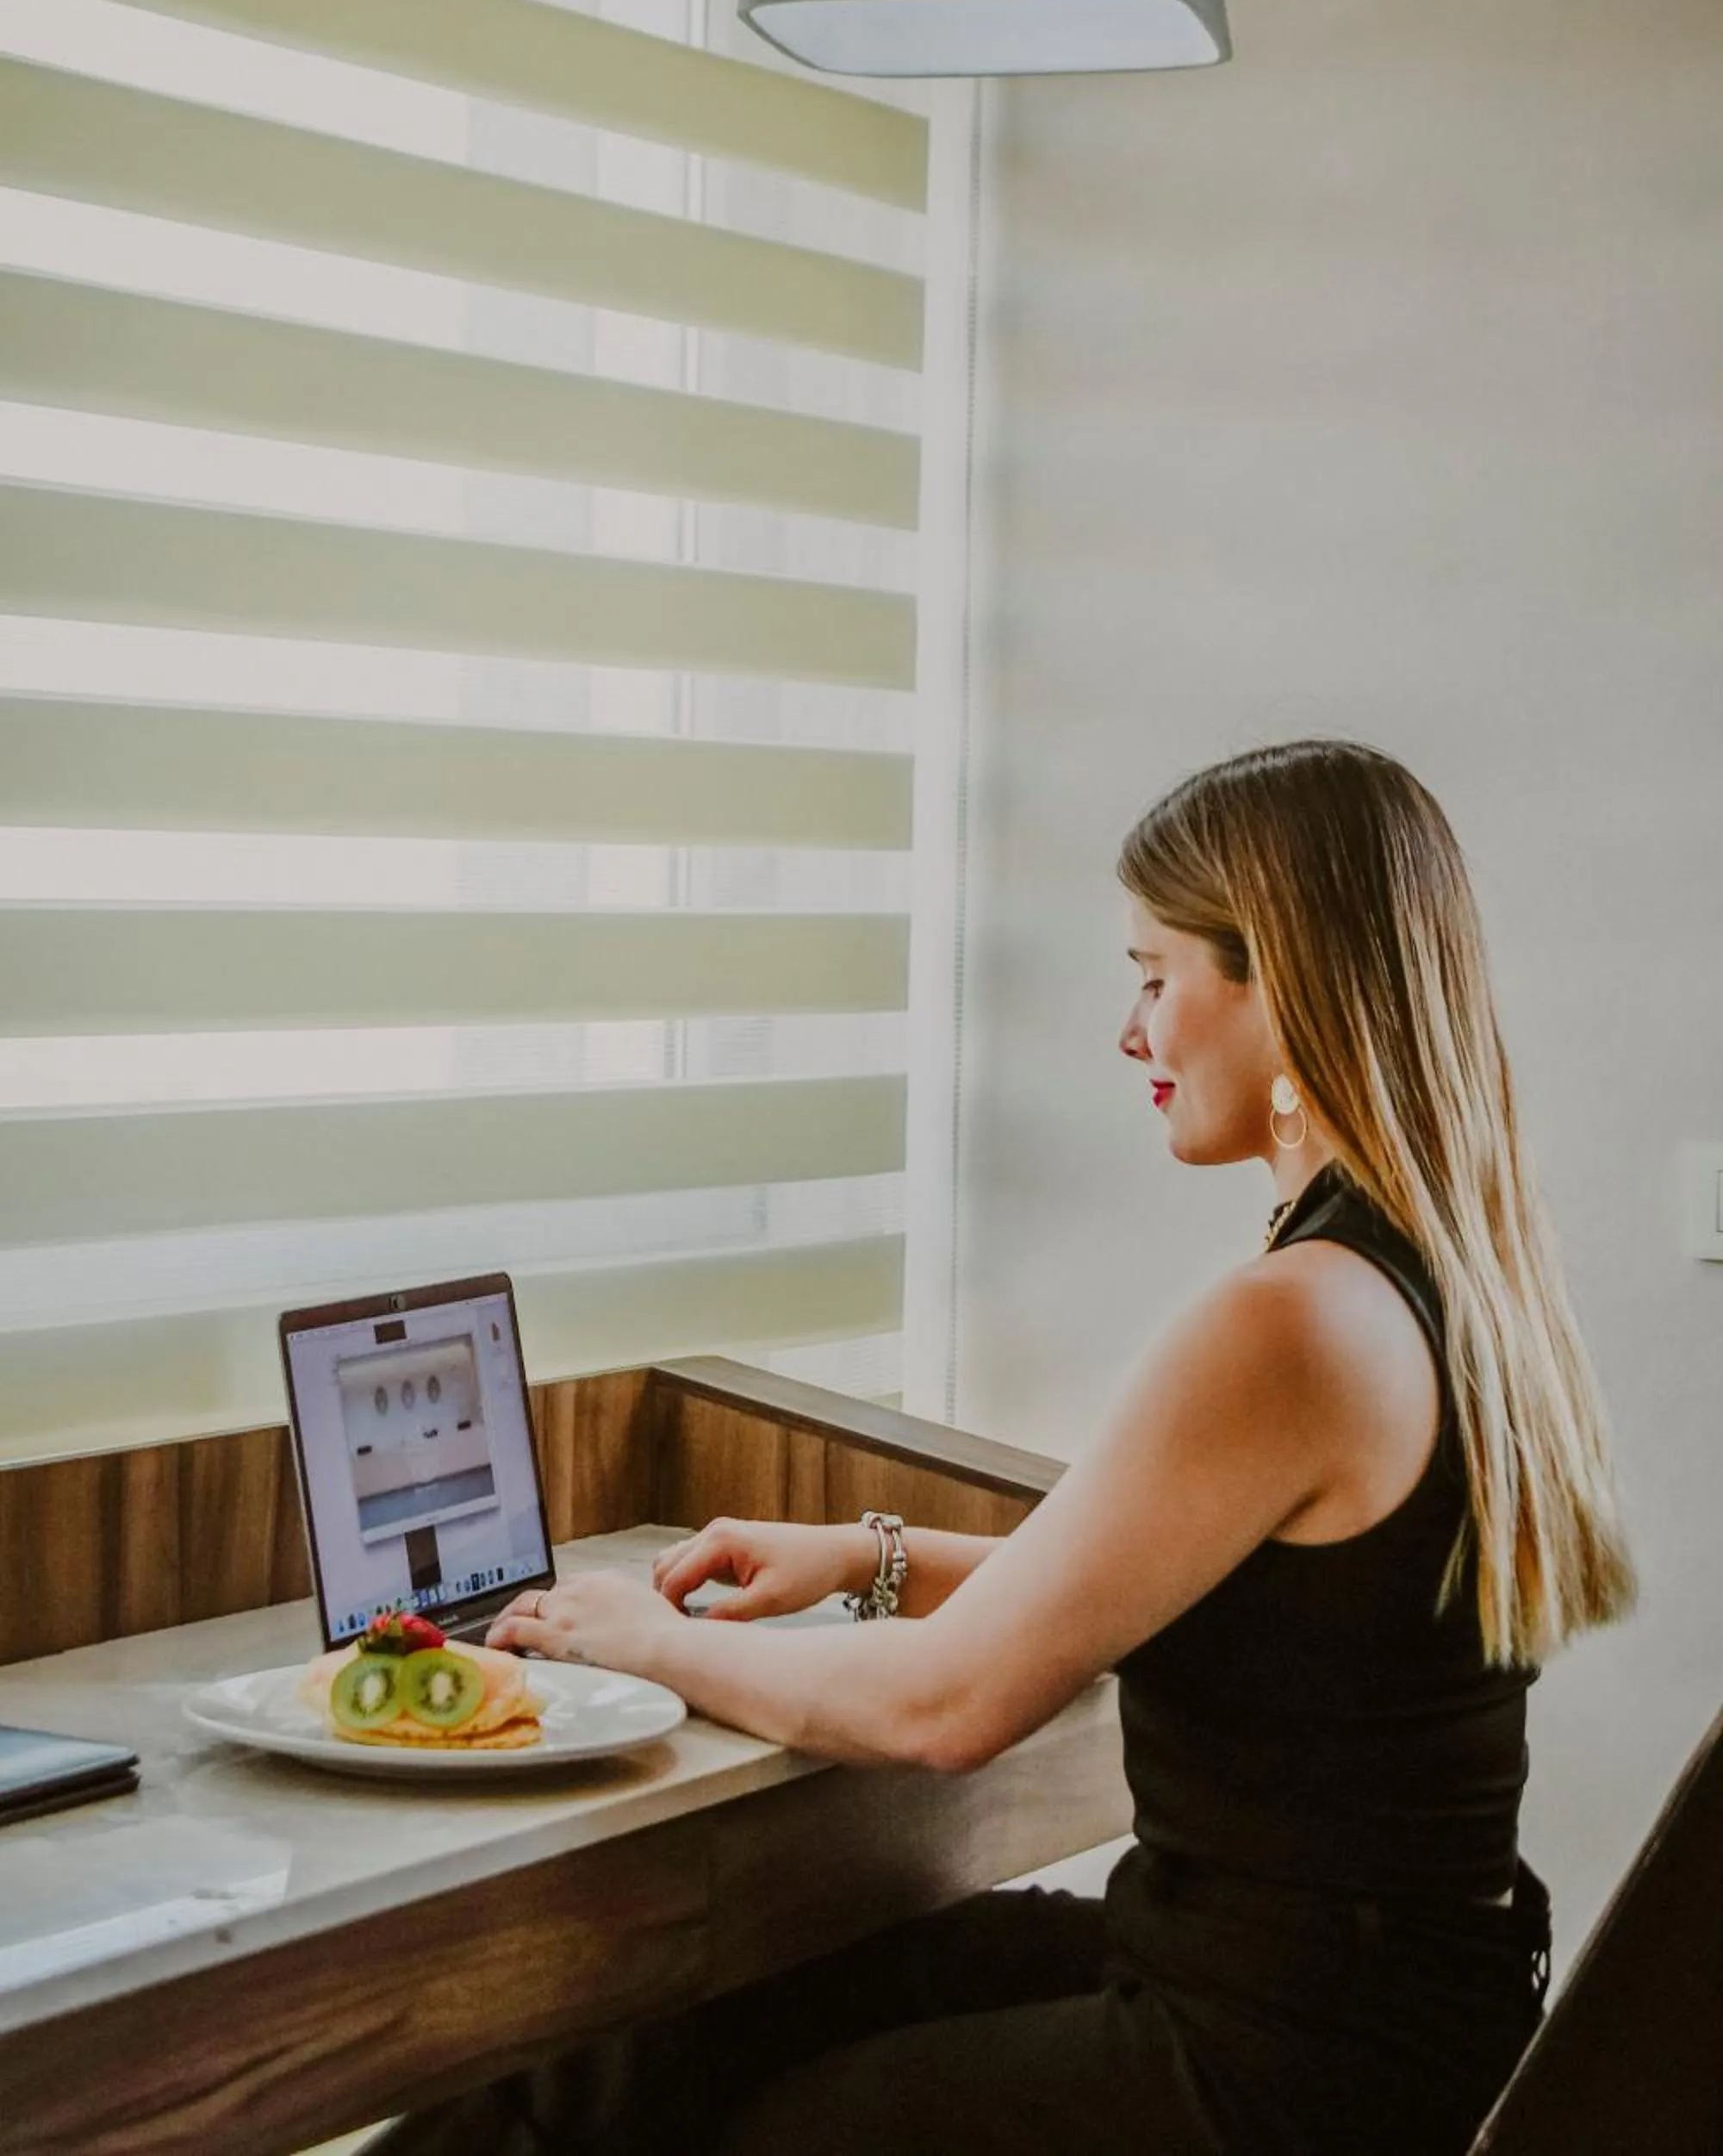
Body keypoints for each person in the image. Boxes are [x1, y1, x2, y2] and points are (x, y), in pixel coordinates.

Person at [381, 738, 1636, 2156]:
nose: (1129, 1032)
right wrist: (869, 1553)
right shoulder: (1420, 1276)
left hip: (1273, 2069)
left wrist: (637, 1636)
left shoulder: (1293, 1325)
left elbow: (944, 1713)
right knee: (686, 2018)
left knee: (720, 2113)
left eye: (1156, 977)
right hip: (1361, 2012)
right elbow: (1213, 1596)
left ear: (1276, 980)